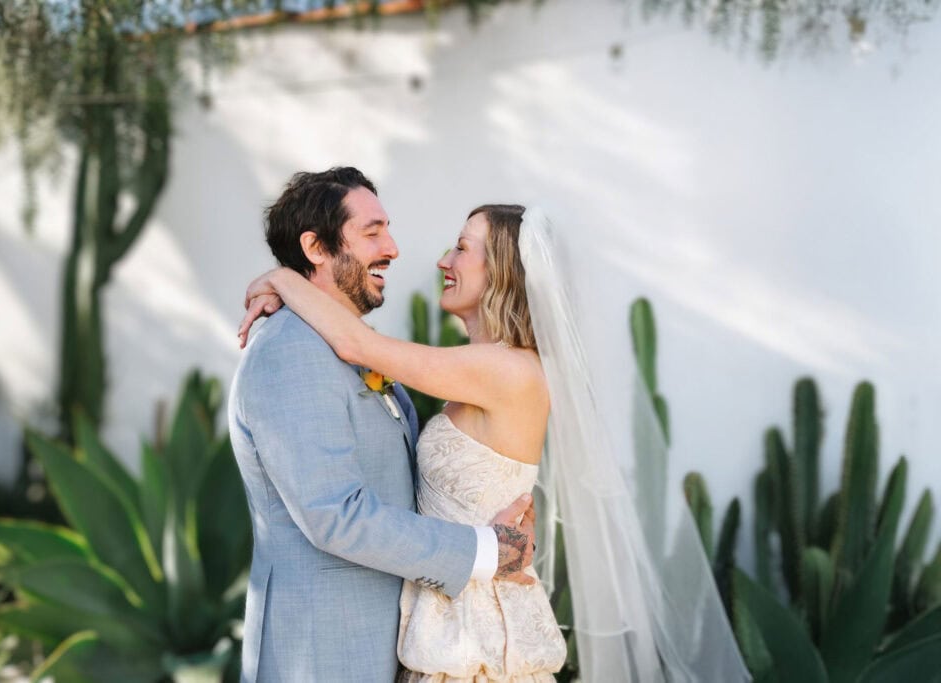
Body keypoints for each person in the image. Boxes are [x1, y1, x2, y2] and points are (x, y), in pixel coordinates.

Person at [240, 202, 754, 682]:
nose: (444, 259)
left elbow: (358, 344)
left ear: (502, 270)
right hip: (448, 615)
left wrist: (282, 278)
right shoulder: (482, 369)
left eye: (463, 248)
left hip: (477, 632)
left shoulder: (509, 370)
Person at [227, 168, 538, 683]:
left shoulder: (347, 347)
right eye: (373, 232)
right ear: (316, 248)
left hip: (411, 645)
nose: (393, 248)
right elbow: (334, 515)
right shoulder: (291, 353)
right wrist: (487, 548)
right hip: (325, 654)